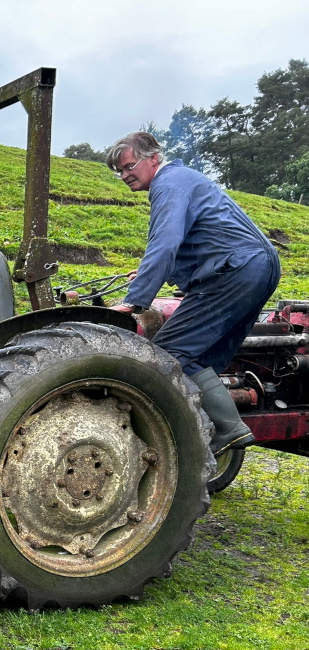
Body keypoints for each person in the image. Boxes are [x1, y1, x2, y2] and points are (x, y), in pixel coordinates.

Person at [106, 132, 281, 456]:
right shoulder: (181, 181)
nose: (125, 174)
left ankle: (226, 430)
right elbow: (202, 241)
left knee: (169, 351)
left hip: (238, 270)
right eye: (119, 171)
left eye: (129, 165)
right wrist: (158, 273)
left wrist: (134, 301)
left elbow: (165, 242)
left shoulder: (168, 184)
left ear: (153, 158)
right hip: (256, 267)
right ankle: (206, 429)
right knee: (199, 359)